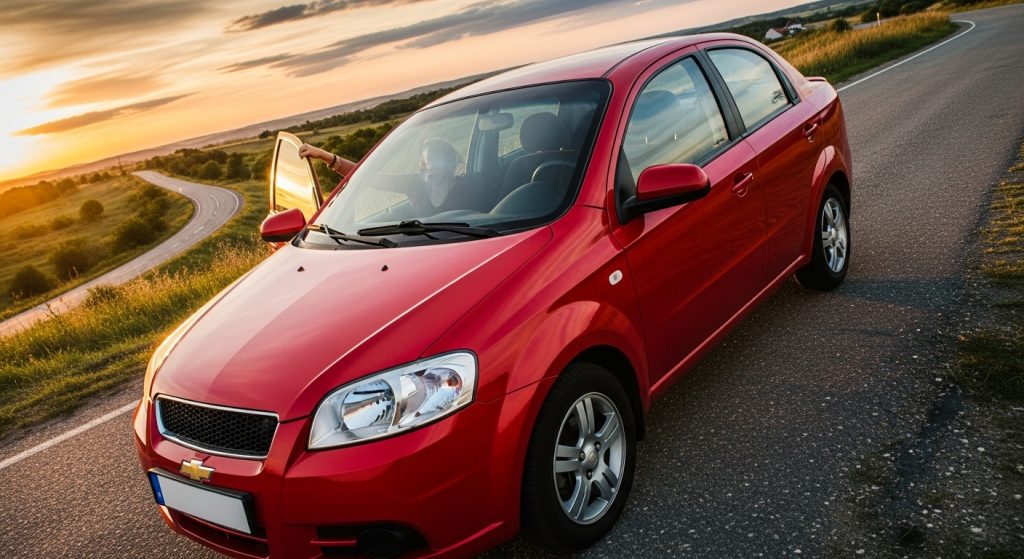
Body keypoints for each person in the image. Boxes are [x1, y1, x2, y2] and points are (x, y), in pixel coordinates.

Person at [301, 139, 490, 216]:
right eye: (425, 161)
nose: (428, 166)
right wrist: (327, 156)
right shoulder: (415, 182)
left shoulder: (469, 187)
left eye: (436, 160)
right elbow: (370, 178)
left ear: (451, 164)